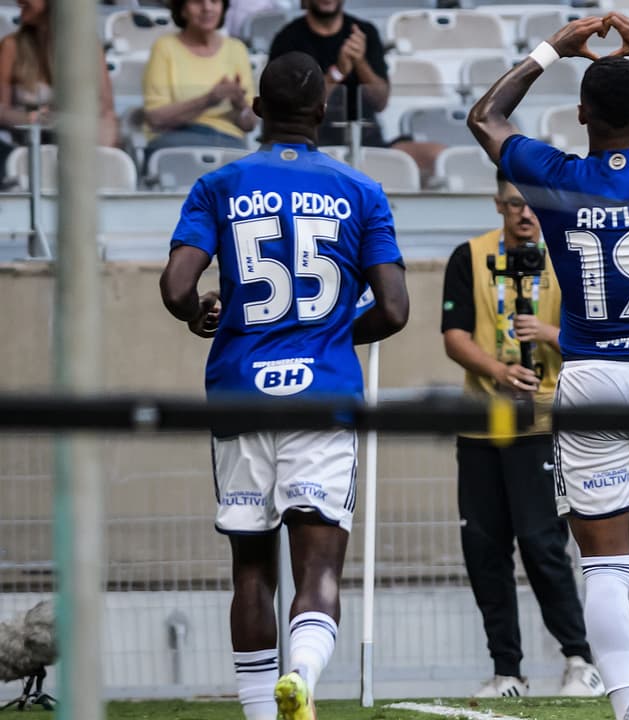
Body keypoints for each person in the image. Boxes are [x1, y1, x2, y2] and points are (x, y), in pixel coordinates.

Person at [158, 51, 410, 720]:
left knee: (251, 570)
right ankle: (300, 676)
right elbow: (394, 309)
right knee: (318, 569)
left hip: (241, 391)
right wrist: (327, 331)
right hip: (322, 395)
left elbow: (176, 288)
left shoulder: (221, 185)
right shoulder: (361, 191)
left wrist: (201, 312)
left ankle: (260, 714)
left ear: (258, 111)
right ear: (323, 114)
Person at [468, 13, 629, 720]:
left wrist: (551, 49)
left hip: (590, 376)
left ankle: (625, 710)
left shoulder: (554, 174)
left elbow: (486, 116)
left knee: (604, 567)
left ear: (581, 113)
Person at [440, 170, 603, 698]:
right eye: (513, 204)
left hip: (544, 421)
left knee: (542, 543)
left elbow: (593, 331)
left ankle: (580, 660)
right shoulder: (469, 255)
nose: (524, 214)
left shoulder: (568, 254)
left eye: (532, 205)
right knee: (484, 549)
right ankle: (506, 671)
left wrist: (548, 334)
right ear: (497, 204)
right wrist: (497, 369)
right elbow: (454, 335)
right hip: (483, 424)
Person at [267, 0, 441, 178]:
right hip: (311, 146)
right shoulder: (288, 39)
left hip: (369, 143)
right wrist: (338, 72)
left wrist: (360, 62)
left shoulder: (364, 33)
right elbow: (295, 110)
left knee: (438, 155)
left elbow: (380, 101)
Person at [0, 0, 119, 157]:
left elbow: (105, 106)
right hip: (24, 144)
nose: (18, 1)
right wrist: (31, 118)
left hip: (74, 140)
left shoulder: (88, 46)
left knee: (106, 125)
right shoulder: (11, 45)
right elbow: (1, 110)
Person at [143, 0, 257, 154]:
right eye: (197, 2)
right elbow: (155, 119)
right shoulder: (164, 47)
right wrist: (208, 100)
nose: (207, 8)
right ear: (182, 10)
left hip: (228, 142)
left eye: (214, 1)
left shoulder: (237, 49)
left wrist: (240, 104)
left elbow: (249, 125)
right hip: (174, 140)